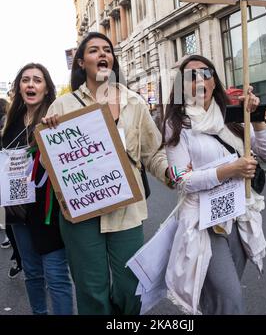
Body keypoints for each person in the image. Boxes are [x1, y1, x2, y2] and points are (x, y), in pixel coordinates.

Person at [42, 32, 168, 315]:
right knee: (91, 289)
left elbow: (153, 153)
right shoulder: (63, 107)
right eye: (94, 50)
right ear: (80, 63)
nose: (102, 55)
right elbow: (48, 160)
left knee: (130, 287)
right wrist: (49, 132)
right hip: (82, 214)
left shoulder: (134, 102)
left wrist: (172, 175)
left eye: (107, 50)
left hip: (127, 210)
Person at [162, 55, 266, 315]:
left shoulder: (232, 116)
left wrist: (257, 117)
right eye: (190, 76)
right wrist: (230, 170)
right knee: (230, 296)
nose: (199, 80)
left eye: (205, 73)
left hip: (237, 215)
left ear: (214, 80)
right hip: (204, 222)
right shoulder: (177, 124)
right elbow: (182, 179)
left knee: (221, 299)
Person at [1, 63, 73, 314]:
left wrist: (56, 126)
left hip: (48, 212)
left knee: (56, 276)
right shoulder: (10, 123)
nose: (31, 84)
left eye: (37, 80)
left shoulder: (54, 118)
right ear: (19, 87)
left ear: (46, 88)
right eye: (25, 80)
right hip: (19, 211)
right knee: (31, 273)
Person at [0, 99, 23, 276]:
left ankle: (19, 257)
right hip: (12, 184)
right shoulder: (9, 124)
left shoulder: (51, 116)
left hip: (18, 181)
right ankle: (19, 257)